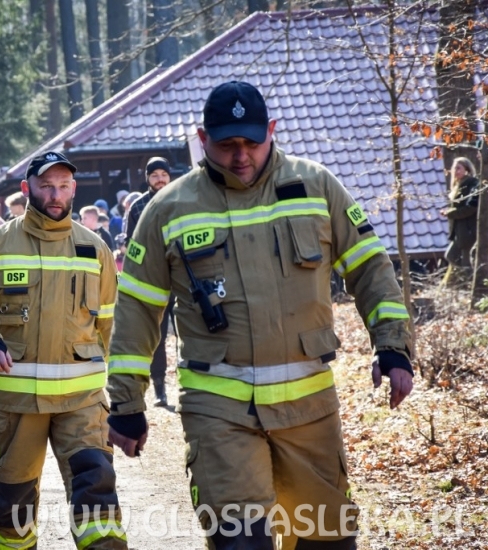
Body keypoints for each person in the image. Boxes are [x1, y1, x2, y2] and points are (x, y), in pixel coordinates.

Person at [106, 81, 414, 549]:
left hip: (309, 411)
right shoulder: (167, 209)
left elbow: (370, 267)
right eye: (227, 144)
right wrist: (126, 404)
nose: (241, 155)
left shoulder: (317, 185)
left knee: (325, 540)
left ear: (272, 129)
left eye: (252, 141)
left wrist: (392, 346)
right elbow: (136, 311)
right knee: (240, 541)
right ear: (201, 138)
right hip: (217, 410)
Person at [0, 151, 126, 549]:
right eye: (46, 185)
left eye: (63, 185)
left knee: (98, 499)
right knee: (13, 511)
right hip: (17, 404)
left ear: (74, 189)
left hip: (81, 403)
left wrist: (126, 396)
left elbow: (112, 325)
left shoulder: (93, 248)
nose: (55, 194)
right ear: (27, 188)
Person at [120, 156, 176, 407]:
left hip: (186, 279)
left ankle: (194, 387)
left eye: (163, 174)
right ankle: (160, 388)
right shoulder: (138, 207)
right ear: (148, 179)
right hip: (155, 282)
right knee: (158, 337)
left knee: (195, 333)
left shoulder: (181, 201)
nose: (160, 179)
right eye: (155, 175)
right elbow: (133, 248)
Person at [442, 157, 479, 278]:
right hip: (459, 232)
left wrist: (451, 213)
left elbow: (471, 208)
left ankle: (470, 283)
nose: (455, 171)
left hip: (469, 231)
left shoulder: (473, 184)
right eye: (454, 168)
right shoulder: (458, 186)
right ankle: (464, 279)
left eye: (458, 168)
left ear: (467, 170)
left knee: (467, 263)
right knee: (451, 256)